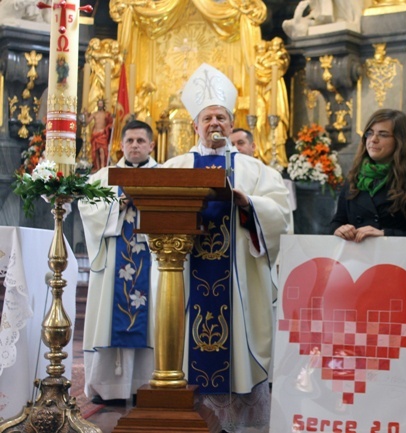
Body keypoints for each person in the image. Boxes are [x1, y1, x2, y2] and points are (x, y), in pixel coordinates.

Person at [162, 63, 293, 433]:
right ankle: (190, 416)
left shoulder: (256, 171)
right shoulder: (174, 168)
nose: (215, 123)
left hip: (240, 286)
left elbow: (281, 214)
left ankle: (239, 422)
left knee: (239, 349)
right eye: (207, 118)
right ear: (195, 126)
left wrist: (249, 203)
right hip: (188, 276)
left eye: (221, 116)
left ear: (231, 124)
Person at [78, 120, 158, 405]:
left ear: (151, 144)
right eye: (130, 141)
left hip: (152, 265)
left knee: (152, 319)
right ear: (121, 145)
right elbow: (86, 208)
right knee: (109, 318)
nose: (135, 145)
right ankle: (107, 387)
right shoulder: (103, 177)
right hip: (113, 262)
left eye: (140, 140)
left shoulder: (164, 175)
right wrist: (119, 203)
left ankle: (146, 385)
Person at [330, 108, 406, 246]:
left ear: (399, 141)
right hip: (357, 263)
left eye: (383, 134)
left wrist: (385, 234)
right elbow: (337, 221)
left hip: (395, 263)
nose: (373, 140)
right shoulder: (354, 178)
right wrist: (339, 230)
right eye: (370, 133)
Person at [87, 98, 113, 173]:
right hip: (95, 134)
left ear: (103, 104)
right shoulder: (94, 114)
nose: (100, 104)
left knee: (102, 150)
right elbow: (87, 122)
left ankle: (102, 166)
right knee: (95, 151)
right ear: (97, 104)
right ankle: (97, 167)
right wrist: (85, 116)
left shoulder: (106, 114)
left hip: (102, 134)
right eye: (99, 103)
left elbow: (110, 122)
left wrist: (111, 123)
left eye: (101, 103)